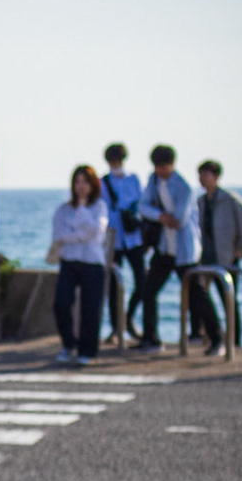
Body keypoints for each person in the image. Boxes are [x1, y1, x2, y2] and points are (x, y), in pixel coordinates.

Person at [134, 144, 200, 352]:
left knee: (196, 294)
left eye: (163, 167)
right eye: (157, 167)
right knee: (148, 291)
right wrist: (161, 216)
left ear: (172, 164)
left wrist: (165, 217)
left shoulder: (184, 187)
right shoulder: (153, 180)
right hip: (164, 248)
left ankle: (211, 336)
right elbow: (142, 206)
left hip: (184, 252)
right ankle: (151, 339)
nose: (159, 171)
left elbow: (180, 219)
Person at [194, 160, 242, 356]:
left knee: (229, 301)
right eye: (201, 175)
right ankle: (208, 336)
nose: (202, 179)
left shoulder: (229, 199)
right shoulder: (201, 201)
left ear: (216, 176)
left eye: (206, 175)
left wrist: (241, 247)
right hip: (205, 258)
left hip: (226, 258)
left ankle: (235, 341)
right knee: (201, 298)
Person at [51, 165, 109, 365]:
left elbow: (96, 233)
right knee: (61, 303)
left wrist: (82, 213)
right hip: (69, 261)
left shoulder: (99, 207)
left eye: (85, 182)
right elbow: (59, 235)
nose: (81, 186)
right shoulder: (64, 209)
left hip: (92, 262)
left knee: (91, 308)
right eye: (78, 182)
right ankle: (69, 343)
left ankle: (88, 350)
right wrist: (81, 234)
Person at [100, 143, 146, 343]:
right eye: (112, 161)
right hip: (113, 239)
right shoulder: (103, 183)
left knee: (142, 282)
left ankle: (128, 319)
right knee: (113, 285)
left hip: (133, 237)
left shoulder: (133, 179)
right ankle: (115, 328)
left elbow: (141, 203)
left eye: (118, 160)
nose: (115, 164)